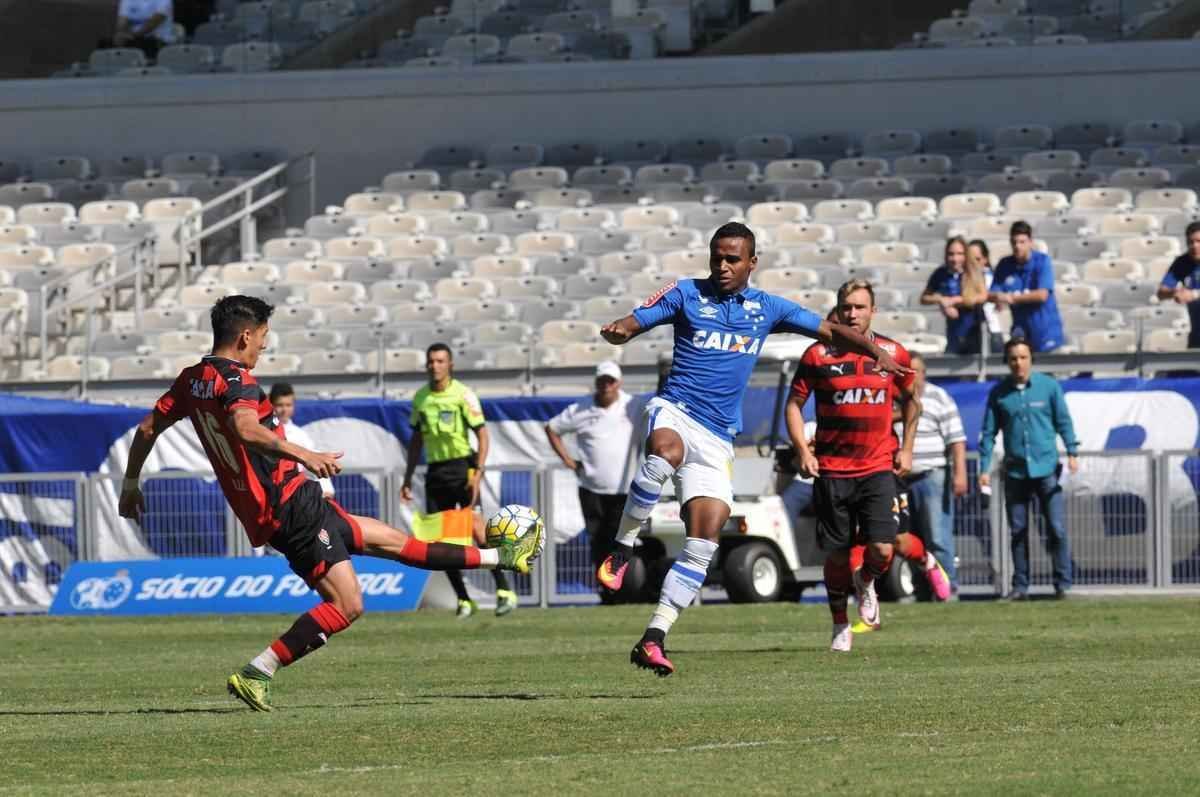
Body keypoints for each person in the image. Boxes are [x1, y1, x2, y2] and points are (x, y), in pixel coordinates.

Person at [117, 296, 541, 712]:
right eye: (263, 336)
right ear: (245, 335)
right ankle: (257, 671)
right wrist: (303, 454)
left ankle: (501, 557)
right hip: (287, 508)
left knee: (401, 545)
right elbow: (246, 429)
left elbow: (149, 426)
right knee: (348, 604)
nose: (264, 345)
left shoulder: (192, 379)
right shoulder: (238, 381)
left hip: (296, 500)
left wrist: (131, 482)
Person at [595, 222, 911, 676]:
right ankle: (622, 546)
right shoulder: (686, 293)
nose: (722, 266)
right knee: (663, 454)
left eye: (732, 259)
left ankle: (653, 637)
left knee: (704, 540)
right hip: (677, 410)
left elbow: (828, 330)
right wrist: (620, 331)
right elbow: (636, 319)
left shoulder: (767, 308)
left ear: (751, 262)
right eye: (716, 257)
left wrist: (872, 350)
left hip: (719, 436)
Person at [786, 279, 920, 652]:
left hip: (877, 468)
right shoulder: (817, 356)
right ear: (839, 310)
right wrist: (802, 450)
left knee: (881, 549)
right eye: (847, 307)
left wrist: (907, 448)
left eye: (860, 307)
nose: (852, 314)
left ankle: (867, 581)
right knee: (837, 555)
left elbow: (912, 402)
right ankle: (839, 623)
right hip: (832, 469)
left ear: (873, 311)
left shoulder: (893, 353)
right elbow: (793, 405)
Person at [401, 343, 517, 618]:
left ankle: (504, 590)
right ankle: (464, 599)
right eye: (431, 361)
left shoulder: (464, 395)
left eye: (440, 361)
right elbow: (416, 440)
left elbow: (483, 435)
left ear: (450, 364)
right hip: (436, 472)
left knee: (476, 531)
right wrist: (407, 477)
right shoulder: (421, 398)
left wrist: (477, 472)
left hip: (462, 468)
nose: (435, 366)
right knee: (440, 541)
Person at [978, 338, 1080, 600]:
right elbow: (988, 434)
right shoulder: (999, 393)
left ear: (1031, 359)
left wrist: (1072, 451)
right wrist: (984, 468)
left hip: (1046, 468)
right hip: (1015, 472)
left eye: (1023, 357)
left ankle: (1062, 583)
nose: (1018, 363)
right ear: (1007, 362)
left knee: (1055, 527)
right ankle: (1021, 586)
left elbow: (1063, 421)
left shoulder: (1048, 387)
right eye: (1013, 358)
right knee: (1018, 531)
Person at [544, 361, 639, 601]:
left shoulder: (633, 405)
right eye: (602, 381)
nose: (606, 385)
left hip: (623, 489)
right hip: (591, 488)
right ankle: (606, 591)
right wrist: (568, 460)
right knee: (598, 541)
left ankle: (622, 588)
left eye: (610, 381)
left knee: (620, 541)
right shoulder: (581, 408)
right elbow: (552, 428)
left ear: (619, 383)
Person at [900, 352, 967, 598]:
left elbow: (957, 440)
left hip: (932, 475)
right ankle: (923, 589)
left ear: (924, 373)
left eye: (916, 370)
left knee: (938, 537)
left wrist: (960, 474)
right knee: (910, 541)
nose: (911, 375)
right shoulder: (894, 398)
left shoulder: (940, 397)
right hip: (901, 479)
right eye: (907, 370)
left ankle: (948, 590)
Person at [988, 221, 1065, 353]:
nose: (1017, 246)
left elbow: (1042, 295)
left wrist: (1011, 298)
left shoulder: (1042, 261)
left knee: (1046, 372)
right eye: (1014, 242)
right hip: (1021, 331)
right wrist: (998, 297)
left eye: (1022, 242)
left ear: (1030, 242)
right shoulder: (1005, 264)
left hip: (1045, 331)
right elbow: (992, 293)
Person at [269, 382, 334, 499]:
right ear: (271, 405)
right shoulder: (263, 432)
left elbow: (316, 460)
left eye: (288, 405)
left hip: (294, 494)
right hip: (269, 491)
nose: (284, 410)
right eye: (280, 405)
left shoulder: (300, 435)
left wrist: (326, 489)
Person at [1156, 220, 1200, 349]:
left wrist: (1194, 294)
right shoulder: (1183, 262)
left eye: (1199, 241)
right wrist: (1175, 292)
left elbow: (1193, 295)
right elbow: (1161, 292)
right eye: (1190, 242)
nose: (1194, 246)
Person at [965, 239, 1005, 356]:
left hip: (991, 331)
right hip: (970, 333)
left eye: (977, 259)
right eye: (970, 259)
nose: (974, 264)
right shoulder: (964, 278)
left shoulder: (991, 279)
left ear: (985, 259)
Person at [110, 0, 176, 58]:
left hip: (158, 42)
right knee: (107, 43)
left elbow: (153, 23)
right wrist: (122, 33)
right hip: (133, 40)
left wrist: (132, 36)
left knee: (146, 44)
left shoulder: (165, 1)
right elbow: (122, 21)